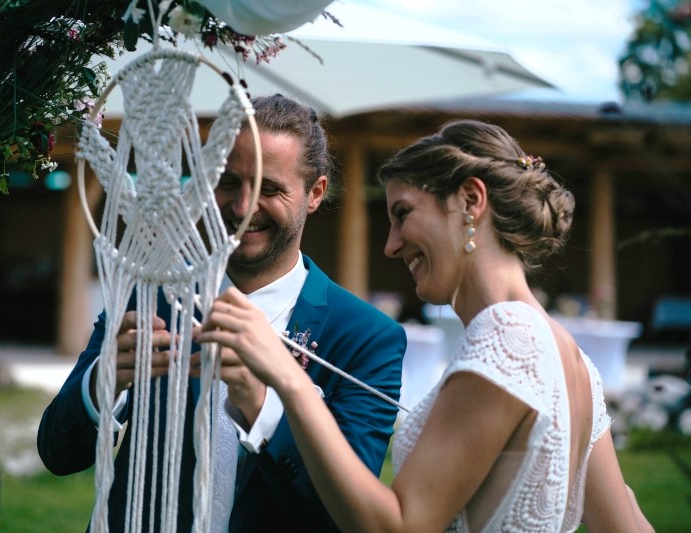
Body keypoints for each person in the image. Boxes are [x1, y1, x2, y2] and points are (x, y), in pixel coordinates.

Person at [199, 119, 654, 532]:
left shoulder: (507, 336)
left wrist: (286, 380)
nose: (391, 246)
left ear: (471, 201)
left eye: (402, 214)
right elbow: (628, 522)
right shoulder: (569, 356)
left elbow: (396, 527)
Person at [37, 93, 406, 532]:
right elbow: (57, 454)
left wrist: (262, 407)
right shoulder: (151, 297)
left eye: (269, 188)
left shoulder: (366, 337)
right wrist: (103, 384)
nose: (242, 206)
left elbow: (347, 518)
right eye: (229, 182)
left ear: (315, 194)